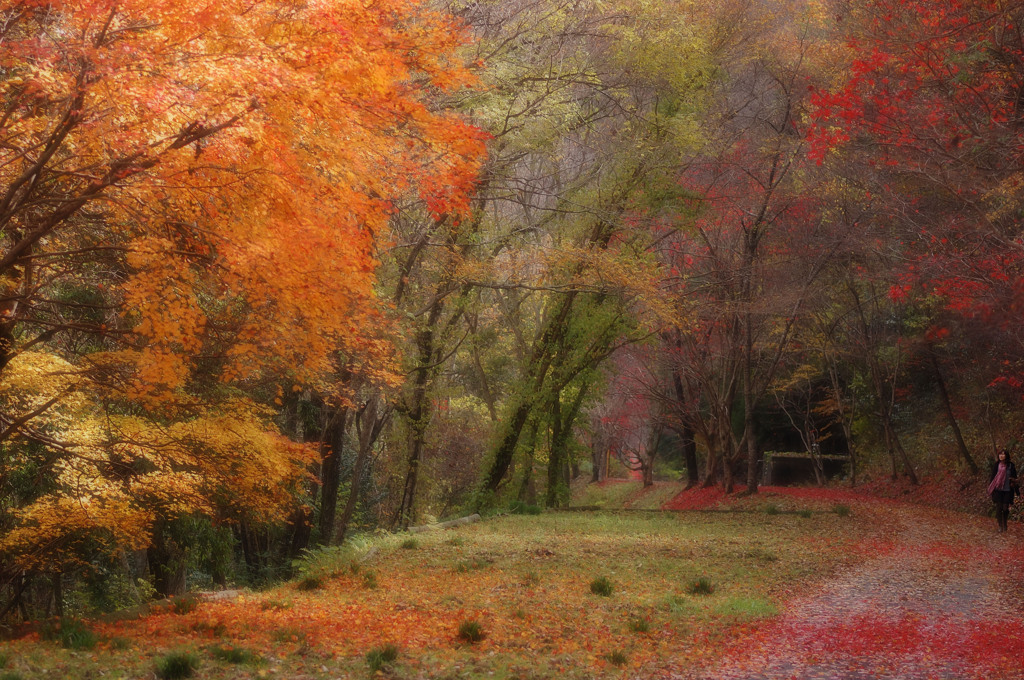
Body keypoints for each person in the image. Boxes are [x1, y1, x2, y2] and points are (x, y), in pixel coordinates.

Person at [988, 449, 1018, 533]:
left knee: (1005, 509)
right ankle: (1000, 525)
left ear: (1006, 456)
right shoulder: (996, 465)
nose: (1001, 456)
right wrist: (991, 488)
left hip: (1008, 490)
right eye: (1000, 454)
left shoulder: (1011, 466)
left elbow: (1014, 478)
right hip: (998, 490)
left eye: (1003, 454)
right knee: (999, 508)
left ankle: (1005, 523)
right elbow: (993, 477)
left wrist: (1017, 490)